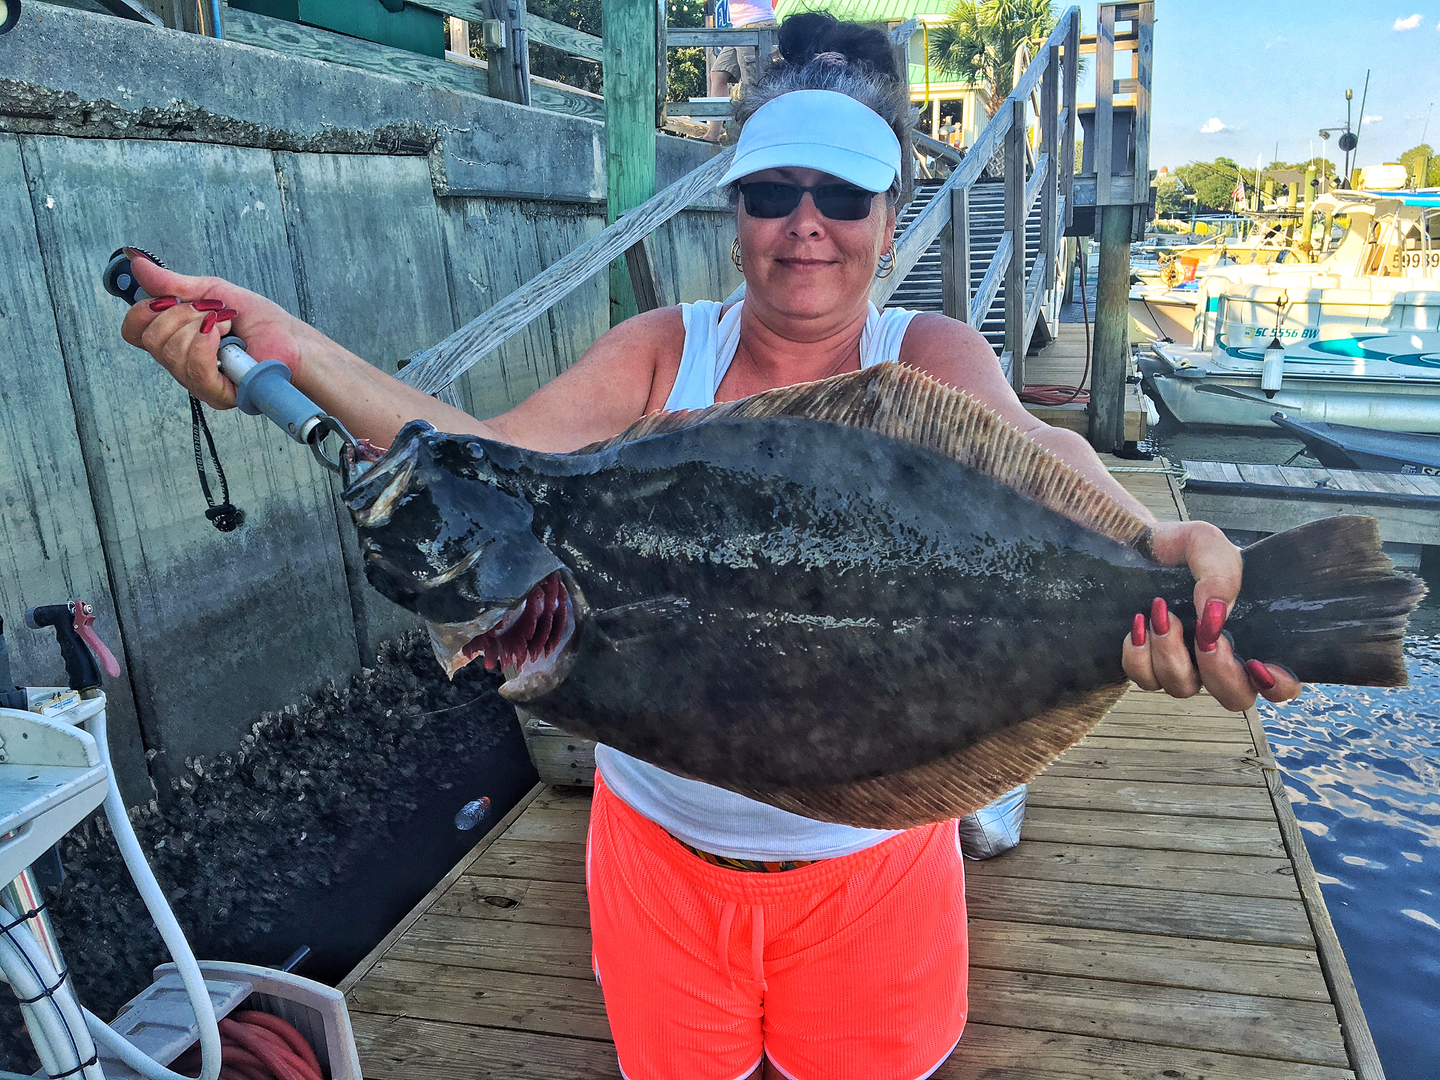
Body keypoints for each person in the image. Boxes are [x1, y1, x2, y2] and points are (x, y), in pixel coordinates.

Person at [121, 14, 1301, 1078]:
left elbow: (1038, 448)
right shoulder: (656, 352)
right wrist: (282, 342)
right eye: (771, 192)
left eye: (842, 197)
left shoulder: (928, 354)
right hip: (659, 872)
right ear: (731, 208)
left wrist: (1156, 543)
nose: (806, 227)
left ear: (889, 217)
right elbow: (476, 452)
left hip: (873, 874)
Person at [705, 0, 777, 143]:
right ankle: (714, 132)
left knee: (753, 86)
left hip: (756, 24)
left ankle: (758, 136)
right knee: (718, 74)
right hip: (741, 27)